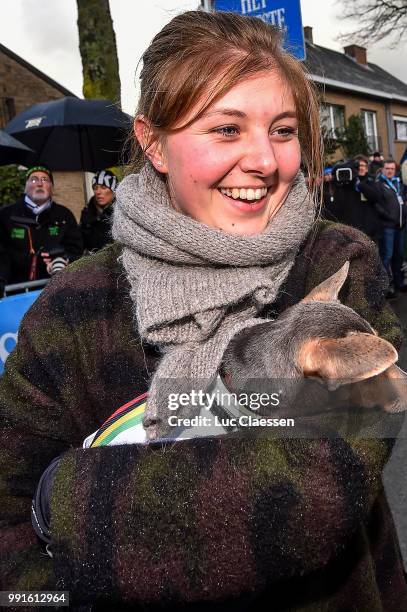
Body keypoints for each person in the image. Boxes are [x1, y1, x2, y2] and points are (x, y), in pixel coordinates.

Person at [1, 11, 406, 611]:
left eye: (284, 129)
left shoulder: (336, 265)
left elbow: (316, 486)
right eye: (226, 130)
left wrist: (62, 497)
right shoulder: (72, 312)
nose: (265, 161)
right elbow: (9, 532)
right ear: (153, 144)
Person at [0, 166, 83, 295]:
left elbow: (76, 249)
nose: (39, 183)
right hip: (14, 294)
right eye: (33, 179)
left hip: (54, 293)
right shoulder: (6, 215)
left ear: (51, 187)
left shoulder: (64, 216)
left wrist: (64, 259)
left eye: (45, 179)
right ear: (25, 187)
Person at [375, 159, 407, 298]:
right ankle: (385, 287)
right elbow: (377, 206)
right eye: (387, 168)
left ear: (395, 170)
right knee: (387, 256)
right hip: (388, 226)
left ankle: (399, 283)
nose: (389, 171)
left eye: (392, 169)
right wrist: (389, 217)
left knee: (398, 256)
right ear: (383, 169)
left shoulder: (398, 183)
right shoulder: (379, 184)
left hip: (400, 226)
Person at [80, 169, 118, 252]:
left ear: (113, 190)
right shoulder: (87, 213)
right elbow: (80, 243)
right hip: (91, 262)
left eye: (103, 187)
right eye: (95, 187)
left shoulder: (120, 213)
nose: (98, 192)